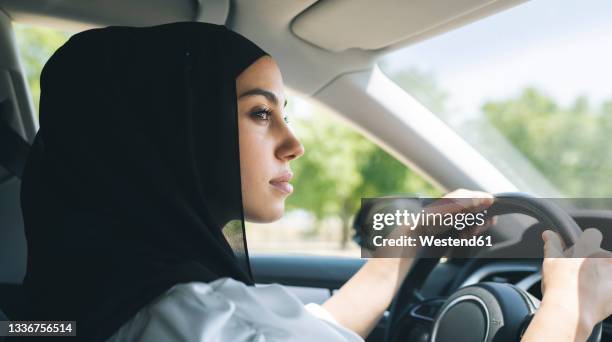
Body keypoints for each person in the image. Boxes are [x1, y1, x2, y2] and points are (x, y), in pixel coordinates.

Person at [14, 22, 611, 342]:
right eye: (258, 113)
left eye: (284, 114)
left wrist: (395, 257)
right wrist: (568, 311)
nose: (293, 144)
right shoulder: (211, 320)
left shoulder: (70, 306)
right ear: (173, 136)